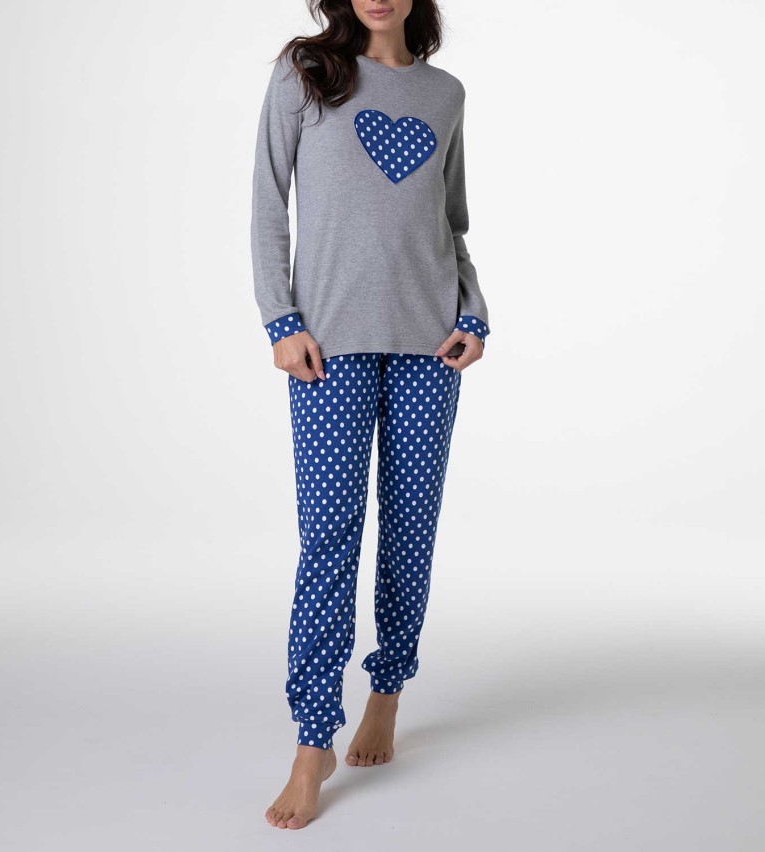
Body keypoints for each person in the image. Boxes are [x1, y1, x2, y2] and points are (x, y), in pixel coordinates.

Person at [251, 0, 491, 830]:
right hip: (328, 346)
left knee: (410, 528)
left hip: (431, 345)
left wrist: (474, 314)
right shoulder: (306, 73)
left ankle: (387, 690)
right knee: (328, 538)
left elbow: (451, 224)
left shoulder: (445, 93)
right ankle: (312, 739)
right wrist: (280, 321)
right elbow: (266, 203)